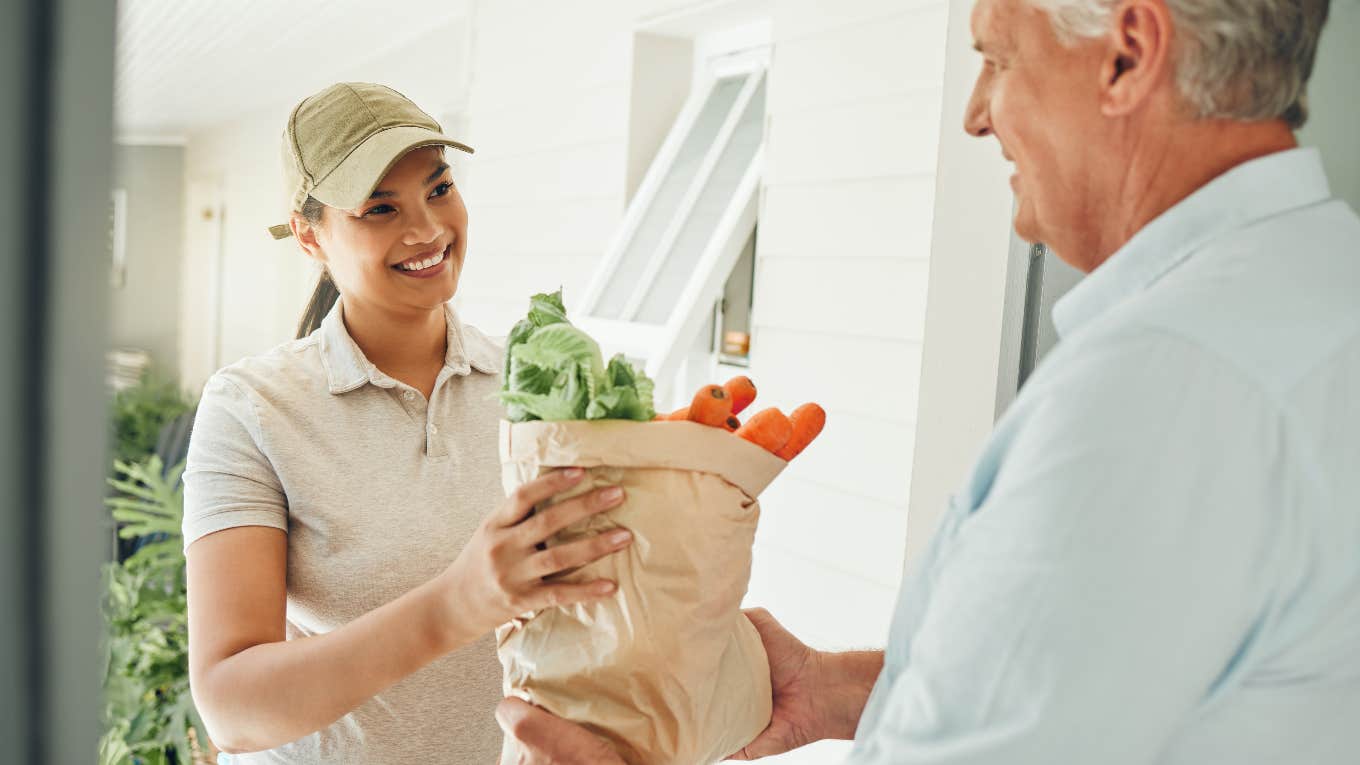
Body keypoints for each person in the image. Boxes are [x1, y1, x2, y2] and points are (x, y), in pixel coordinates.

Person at [498, 0, 1360, 762]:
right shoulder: (1320, 287)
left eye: (996, 57)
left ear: (1128, 53)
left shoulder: (1159, 391)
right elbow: (1134, 680)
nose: (975, 114)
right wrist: (837, 690)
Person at [181, 82, 635, 763]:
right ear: (310, 236)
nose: (426, 229)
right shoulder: (250, 408)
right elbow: (230, 707)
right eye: (380, 208)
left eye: (440, 188)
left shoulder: (530, 382)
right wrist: (460, 602)